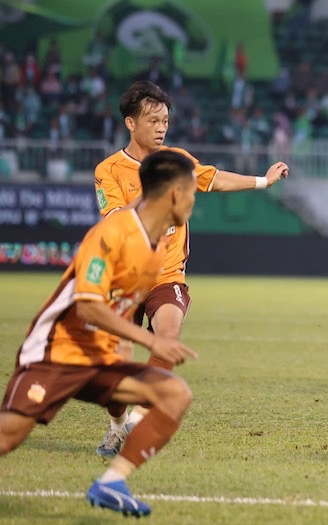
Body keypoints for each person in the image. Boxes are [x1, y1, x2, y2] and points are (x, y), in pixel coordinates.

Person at [93, 81, 288, 457]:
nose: (161, 127)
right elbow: (116, 219)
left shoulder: (177, 158)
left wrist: (263, 180)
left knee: (169, 333)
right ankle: (117, 425)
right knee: (114, 376)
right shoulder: (109, 170)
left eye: (165, 120)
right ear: (131, 124)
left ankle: (134, 422)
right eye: (153, 120)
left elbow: (212, 178)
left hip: (166, 276)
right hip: (123, 279)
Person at [0, 150, 199, 516]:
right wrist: (151, 340)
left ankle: (111, 483)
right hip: (57, 351)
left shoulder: (158, 249)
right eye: (192, 191)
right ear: (174, 193)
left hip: (98, 358)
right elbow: (87, 304)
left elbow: (117, 308)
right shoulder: (112, 233)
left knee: (174, 394)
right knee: (9, 436)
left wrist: (123, 347)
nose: (194, 200)